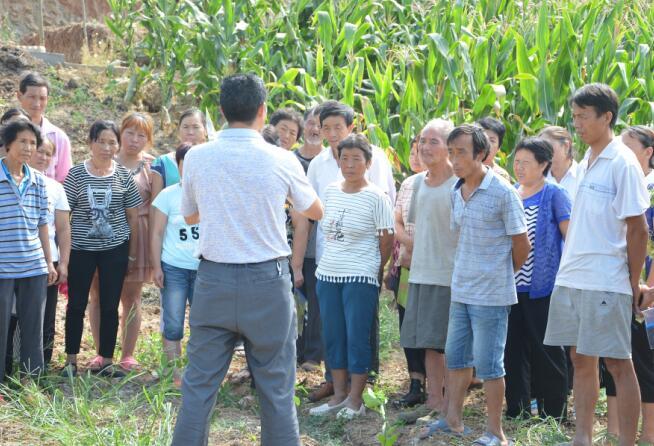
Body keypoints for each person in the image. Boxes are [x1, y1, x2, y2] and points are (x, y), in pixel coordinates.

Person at [171, 73, 323, 446]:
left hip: (213, 281)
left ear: (220, 112)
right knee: (275, 388)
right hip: (267, 283)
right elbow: (314, 210)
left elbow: (190, 215)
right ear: (262, 111)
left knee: (199, 387)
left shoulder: (197, 157)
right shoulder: (282, 159)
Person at [544, 83, 649, 446]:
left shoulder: (622, 163)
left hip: (607, 279)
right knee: (580, 358)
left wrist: (632, 282)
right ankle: (583, 437)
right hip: (573, 277)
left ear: (607, 117)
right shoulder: (586, 162)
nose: (577, 125)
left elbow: (638, 229)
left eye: (583, 117)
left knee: (619, 363)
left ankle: (627, 442)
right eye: (574, 117)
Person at [423, 124, 529, 445]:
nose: (454, 160)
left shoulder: (503, 193)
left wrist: (497, 275)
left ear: (481, 154)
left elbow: (521, 246)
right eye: (451, 152)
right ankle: (452, 419)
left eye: (461, 153)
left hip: (492, 295)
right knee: (456, 358)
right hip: (462, 291)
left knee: (489, 365)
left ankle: (496, 433)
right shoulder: (457, 190)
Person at [301, 100, 395, 402]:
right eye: (324, 127)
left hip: (362, 264)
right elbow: (313, 213)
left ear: (351, 127)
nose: (330, 133)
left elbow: (385, 226)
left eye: (337, 127)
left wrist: (377, 265)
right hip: (330, 262)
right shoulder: (320, 168)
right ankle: (336, 387)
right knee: (333, 328)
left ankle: (362, 388)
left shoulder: (375, 163)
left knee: (360, 329)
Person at [61, 120, 142, 378]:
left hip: (115, 249)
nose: (107, 147)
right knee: (76, 303)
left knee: (110, 304)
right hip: (81, 249)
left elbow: (133, 216)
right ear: (90, 143)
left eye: (112, 142)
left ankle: (107, 361)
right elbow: (65, 216)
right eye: (101, 141)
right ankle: (71, 360)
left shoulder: (122, 175)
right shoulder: (76, 174)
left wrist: (130, 253)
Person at [504, 137, 571, 420]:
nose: (519, 168)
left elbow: (571, 237)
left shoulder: (554, 194)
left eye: (526, 163)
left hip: (543, 287)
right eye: (516, 162)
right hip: (510, 286)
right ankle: (517, 408)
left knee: (547, 350)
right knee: (513, 349)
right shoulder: (510, 194)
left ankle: (553, 412)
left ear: (543, 164)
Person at [399, 119, 457, 420]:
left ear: (450, 146)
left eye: (433, 141)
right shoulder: (419, 182)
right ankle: (434, 401)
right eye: (422, 140)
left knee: (450, 345)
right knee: (429, 343)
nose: (425, 147)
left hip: (449, 276)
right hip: (421, 273)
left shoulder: (459, 185)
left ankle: (451, 405)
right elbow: (416, 228)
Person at [87, 112, 155, 371]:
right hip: (101, 235)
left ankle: (127, 354)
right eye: (129, 133)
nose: (134, 140)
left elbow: (158, 206)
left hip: (138, 235)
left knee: (132, 297)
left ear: (148, 140)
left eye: (141, 135)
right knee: (98, 295)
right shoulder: (102, 160)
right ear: (119, 134)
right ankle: (101, 353)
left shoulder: (151, 166)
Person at [600, 125, 654, 445]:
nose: (620, 151)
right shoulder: (617, 181)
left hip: (643, 289)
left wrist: (647, 288)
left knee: (645, 364)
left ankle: (648, 435)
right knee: (613, 359)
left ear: (648, 152)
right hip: (615, 282)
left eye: (628, 145)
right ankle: (613, 431)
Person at [0, 120, 57, 386]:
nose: (28, 147)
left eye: (32, 143)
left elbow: (43, 223)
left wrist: (49, 261)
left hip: (33, 265)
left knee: (33, 328)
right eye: (22, 141)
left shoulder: (38, 181)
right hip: (2, 266)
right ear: (8, 144)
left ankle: (31, 382)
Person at [150, 143, 198, 388]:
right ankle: (173, 375)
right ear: (177, 166)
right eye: (184, 164)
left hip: (203, 269)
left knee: (201, 323)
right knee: (173, 322)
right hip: (174, 268)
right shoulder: (167, 195)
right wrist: (156, 266)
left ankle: (198, 374)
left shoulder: (209, 194)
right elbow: (156, 233)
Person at [386, 136, 427, 410]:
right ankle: (416, 382)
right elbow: (397, 221)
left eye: (421, 151)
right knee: (408, 323)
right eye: (413, 151)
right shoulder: (409, 184)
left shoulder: (448, 184)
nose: (416, 156)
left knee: (432, 325)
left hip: (433, 267)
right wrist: (407, 248)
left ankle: (437, 384)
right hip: (407, 264)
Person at [27, 138, 71, 366]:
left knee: (46, 316)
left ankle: (41, 367)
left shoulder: (55, 188)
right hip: (17, 258)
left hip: (48, 260)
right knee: (14, 316)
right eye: (39, 151)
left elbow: (63, 229)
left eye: (48, 153)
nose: (43, 157)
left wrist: (63, 263)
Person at [295, 106, 326, 371]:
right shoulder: (291, 160)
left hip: (319, 243)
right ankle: (296, 349)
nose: (314, 129)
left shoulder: (330, 163)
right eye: (310, 123)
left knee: (315, 300)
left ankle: (314, 354)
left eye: (320, 124)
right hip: (292, 241)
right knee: (296, 299)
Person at [16, 72, 72, 182]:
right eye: (32, 97)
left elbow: (65, 180)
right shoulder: (4, 134)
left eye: (42, 98)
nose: (37, 103)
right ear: (19, 96)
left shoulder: (59, 138)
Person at [151, 108, 208, 201]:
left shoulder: (213, 160)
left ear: (205, 130)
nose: (190, 132)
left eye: (196, 127)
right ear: (178, 130)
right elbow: (155, 204)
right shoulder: (163, 163)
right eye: (185, 127)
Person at [539, 126, 580, 201]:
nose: (542, 152)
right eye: (540, 148)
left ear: (566, 146)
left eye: (547, 146)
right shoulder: (537, 178)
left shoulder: (583, 176)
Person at [477, 117, 512, 183]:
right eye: (483, 138)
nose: (486, 143)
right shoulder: (464, 169)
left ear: (499, 147)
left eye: (492, 140)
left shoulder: (501, 175)